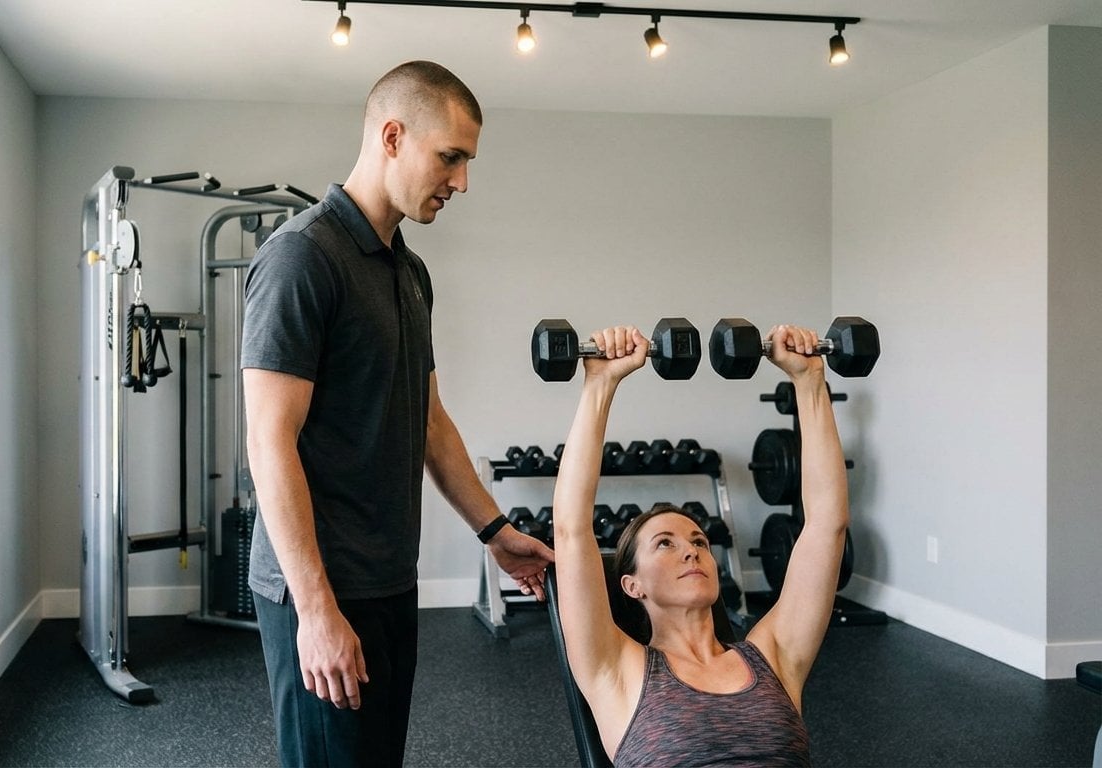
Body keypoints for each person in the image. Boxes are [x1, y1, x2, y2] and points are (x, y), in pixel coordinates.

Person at [239, 60, 556, 768]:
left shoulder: (409, 273)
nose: (462, 181)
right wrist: (317, 610)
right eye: (451, 157)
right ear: (391, 136)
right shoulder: (302, 259)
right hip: (321, 584)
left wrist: (495, 530)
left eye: (467, 161)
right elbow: (269, 441)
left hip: (387, 574)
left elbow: (430, 420)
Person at [552, 323, 849, 767]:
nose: (692, 550)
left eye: (699, 541)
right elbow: (572, 530)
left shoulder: (775, 655)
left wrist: (809, 383)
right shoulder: (617, 671)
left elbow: (827, 525)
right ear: (631, 585)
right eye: (665, 544)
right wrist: (600, 384)